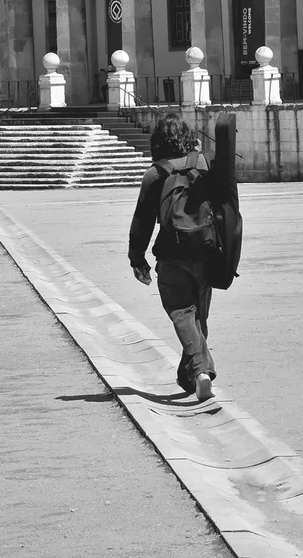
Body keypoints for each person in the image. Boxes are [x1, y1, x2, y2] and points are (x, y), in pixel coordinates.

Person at [129, 112, 241, 402]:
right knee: (198, 318)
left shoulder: (155, 174)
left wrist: (137, 259)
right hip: (205, 251)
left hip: (171, 255)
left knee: (181, 313)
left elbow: (142, 221)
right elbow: (223, 200)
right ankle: (187, 375)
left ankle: (202, 371)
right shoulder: (203, 163)